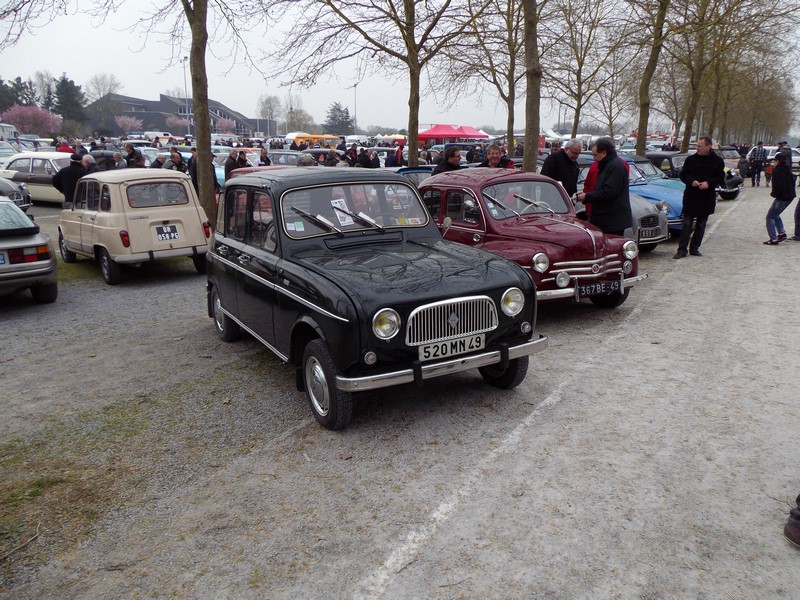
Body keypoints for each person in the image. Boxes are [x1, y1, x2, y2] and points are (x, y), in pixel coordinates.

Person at [674, 136, 725, 258]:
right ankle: (682, 250)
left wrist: (709, 182)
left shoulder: (717, 161)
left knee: (701, 224)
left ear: (708, 146)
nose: (697, 148)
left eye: (700, 146)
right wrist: (691, 181)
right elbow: (683, 174)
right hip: (691, 196)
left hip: (706, 197)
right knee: (687, 223)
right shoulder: (690, 160)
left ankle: (694, 248)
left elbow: (720, 177)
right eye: (697, 146)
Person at [574, 137, 631, 235]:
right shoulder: (607, 165)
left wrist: (587, 196)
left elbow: (609, 192)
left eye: (595, 155)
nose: (594, 158)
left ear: (604, 153)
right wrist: (587, 195)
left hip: (612, 221)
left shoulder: (616, 167)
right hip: (605, 218)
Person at [763, 152, 795, 244]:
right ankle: (781, 233)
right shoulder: (788, 170)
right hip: (790, 196)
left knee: (770, 216)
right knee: (776, 214)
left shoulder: (777, 171)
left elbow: (777, 185)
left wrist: (774, 194)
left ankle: (773, 238)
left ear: (778, 161)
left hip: (782, 197)